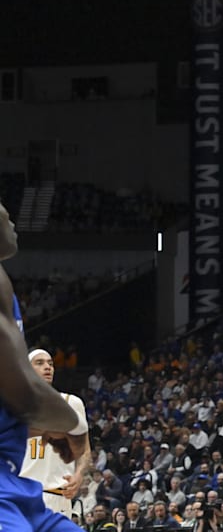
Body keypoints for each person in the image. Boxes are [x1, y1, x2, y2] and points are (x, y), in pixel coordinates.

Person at [0, 199, 89, 531]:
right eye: (6, 218)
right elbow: (24, 392)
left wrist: (48, 428)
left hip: (18, 487)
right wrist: (72, 425)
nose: (12, 226)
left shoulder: (5, 287)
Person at [20, 348, 92, 520]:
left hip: (56, 496)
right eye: (40, 363)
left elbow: (84, 450)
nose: (48, 367)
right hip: (20, 498)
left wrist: (79, 474)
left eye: (50, 364)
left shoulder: (71, 403)